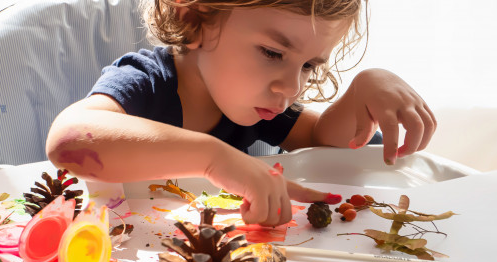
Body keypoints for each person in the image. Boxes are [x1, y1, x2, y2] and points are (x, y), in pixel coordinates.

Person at [46, 0, 436, 226]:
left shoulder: (250, 102)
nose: (293, 87)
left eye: (308, 66)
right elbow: (69, 141)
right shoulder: (144, 80)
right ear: (193, 19)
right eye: (272, 53)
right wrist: (215, 159)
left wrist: (365, 90)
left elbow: (325, 140)